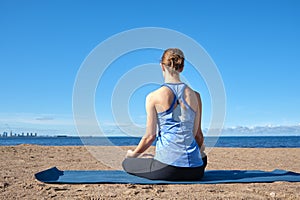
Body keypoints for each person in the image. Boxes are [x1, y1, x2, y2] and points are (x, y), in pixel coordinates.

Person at [122, 48, 207, 181]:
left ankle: (139, 159)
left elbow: (150, 137)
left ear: (162, 66)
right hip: (196, 171)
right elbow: (198, 136)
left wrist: (132, 154)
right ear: (182, 68)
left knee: (127, 163)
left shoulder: (153, 96)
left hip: (167, 170)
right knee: (203, 157)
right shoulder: (196, 96)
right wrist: (200, 154)